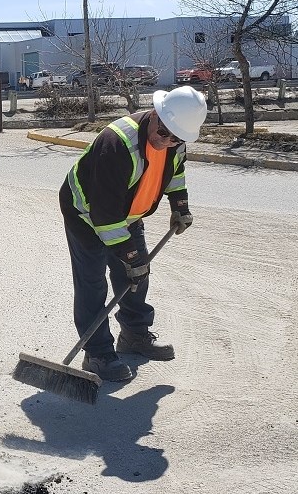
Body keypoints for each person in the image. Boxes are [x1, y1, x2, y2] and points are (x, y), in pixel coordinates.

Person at [58, 85, 208, 381]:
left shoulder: (175, 140)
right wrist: (131, 256)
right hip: (87, 214)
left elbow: (175, 174)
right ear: (155, 114)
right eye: (163, 132)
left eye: (175, 138)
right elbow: (104, 215)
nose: (165, 141)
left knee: (136, 277)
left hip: (127, 213)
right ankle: (97, 353)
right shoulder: (117, 143)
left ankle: (134, 336)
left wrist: (180, 206)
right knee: (93, 283)